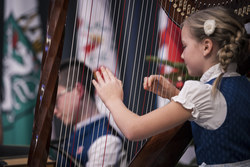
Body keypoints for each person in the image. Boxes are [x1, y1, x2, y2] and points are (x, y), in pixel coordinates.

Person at [92, 7, 250, 167]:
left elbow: (133, 129)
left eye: (185, 46)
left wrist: (112, 99)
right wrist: (174, 94)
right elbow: (215, 112)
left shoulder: (202, 93)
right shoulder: (244, 84)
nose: (182, 55)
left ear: (206, 47)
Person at [53, 60, 127, 167]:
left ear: (79, 90)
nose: (54, 110)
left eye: (56, 100)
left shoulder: (106, 142)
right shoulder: (72, 139)